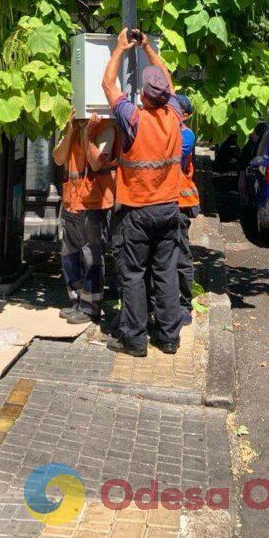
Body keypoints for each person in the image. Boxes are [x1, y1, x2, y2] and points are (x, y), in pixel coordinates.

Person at [102, 29, 183, 357]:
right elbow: (169, 83)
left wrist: (121, 48)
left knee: (133, 274)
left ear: (144, 95)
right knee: (165, 271)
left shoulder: (133, 118)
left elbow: (108, 85)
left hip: (137, 211)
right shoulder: (175, 113)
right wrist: (149, 48)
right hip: (168, 209)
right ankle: (169, 337)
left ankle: (134, 339)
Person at [53, 108, 116, 325]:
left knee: (91, 256)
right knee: (69, 254)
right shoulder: (72, 127)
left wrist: (88, 134)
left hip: (94, 203)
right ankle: (77, 301)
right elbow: (59, 159)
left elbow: (97, 162)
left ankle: (91, 308)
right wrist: (71, 131)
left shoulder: (106, 127)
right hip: (71, 201)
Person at [173, 94, 199, 325]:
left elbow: (172, 158)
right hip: (164, 203)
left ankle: (184, 305)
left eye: (176, 107)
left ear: (185, 114)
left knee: (181, 255)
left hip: (180, 205)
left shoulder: (186, 135)